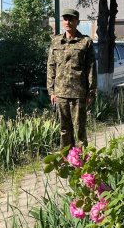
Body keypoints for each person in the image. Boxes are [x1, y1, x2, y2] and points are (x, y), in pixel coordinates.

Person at [47, 8, 97, 149]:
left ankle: (81, 162)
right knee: (64, 130)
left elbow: (91, 69)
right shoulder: (56, 41)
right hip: (61, 92)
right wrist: (51, 91)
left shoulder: (85, 42)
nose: (67, 22)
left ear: (77, 21)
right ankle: (66, 161)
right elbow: (51, 66)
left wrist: (91, 92)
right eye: (65, 19)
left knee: (80, 130)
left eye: (71, 19)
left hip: (79, 93)